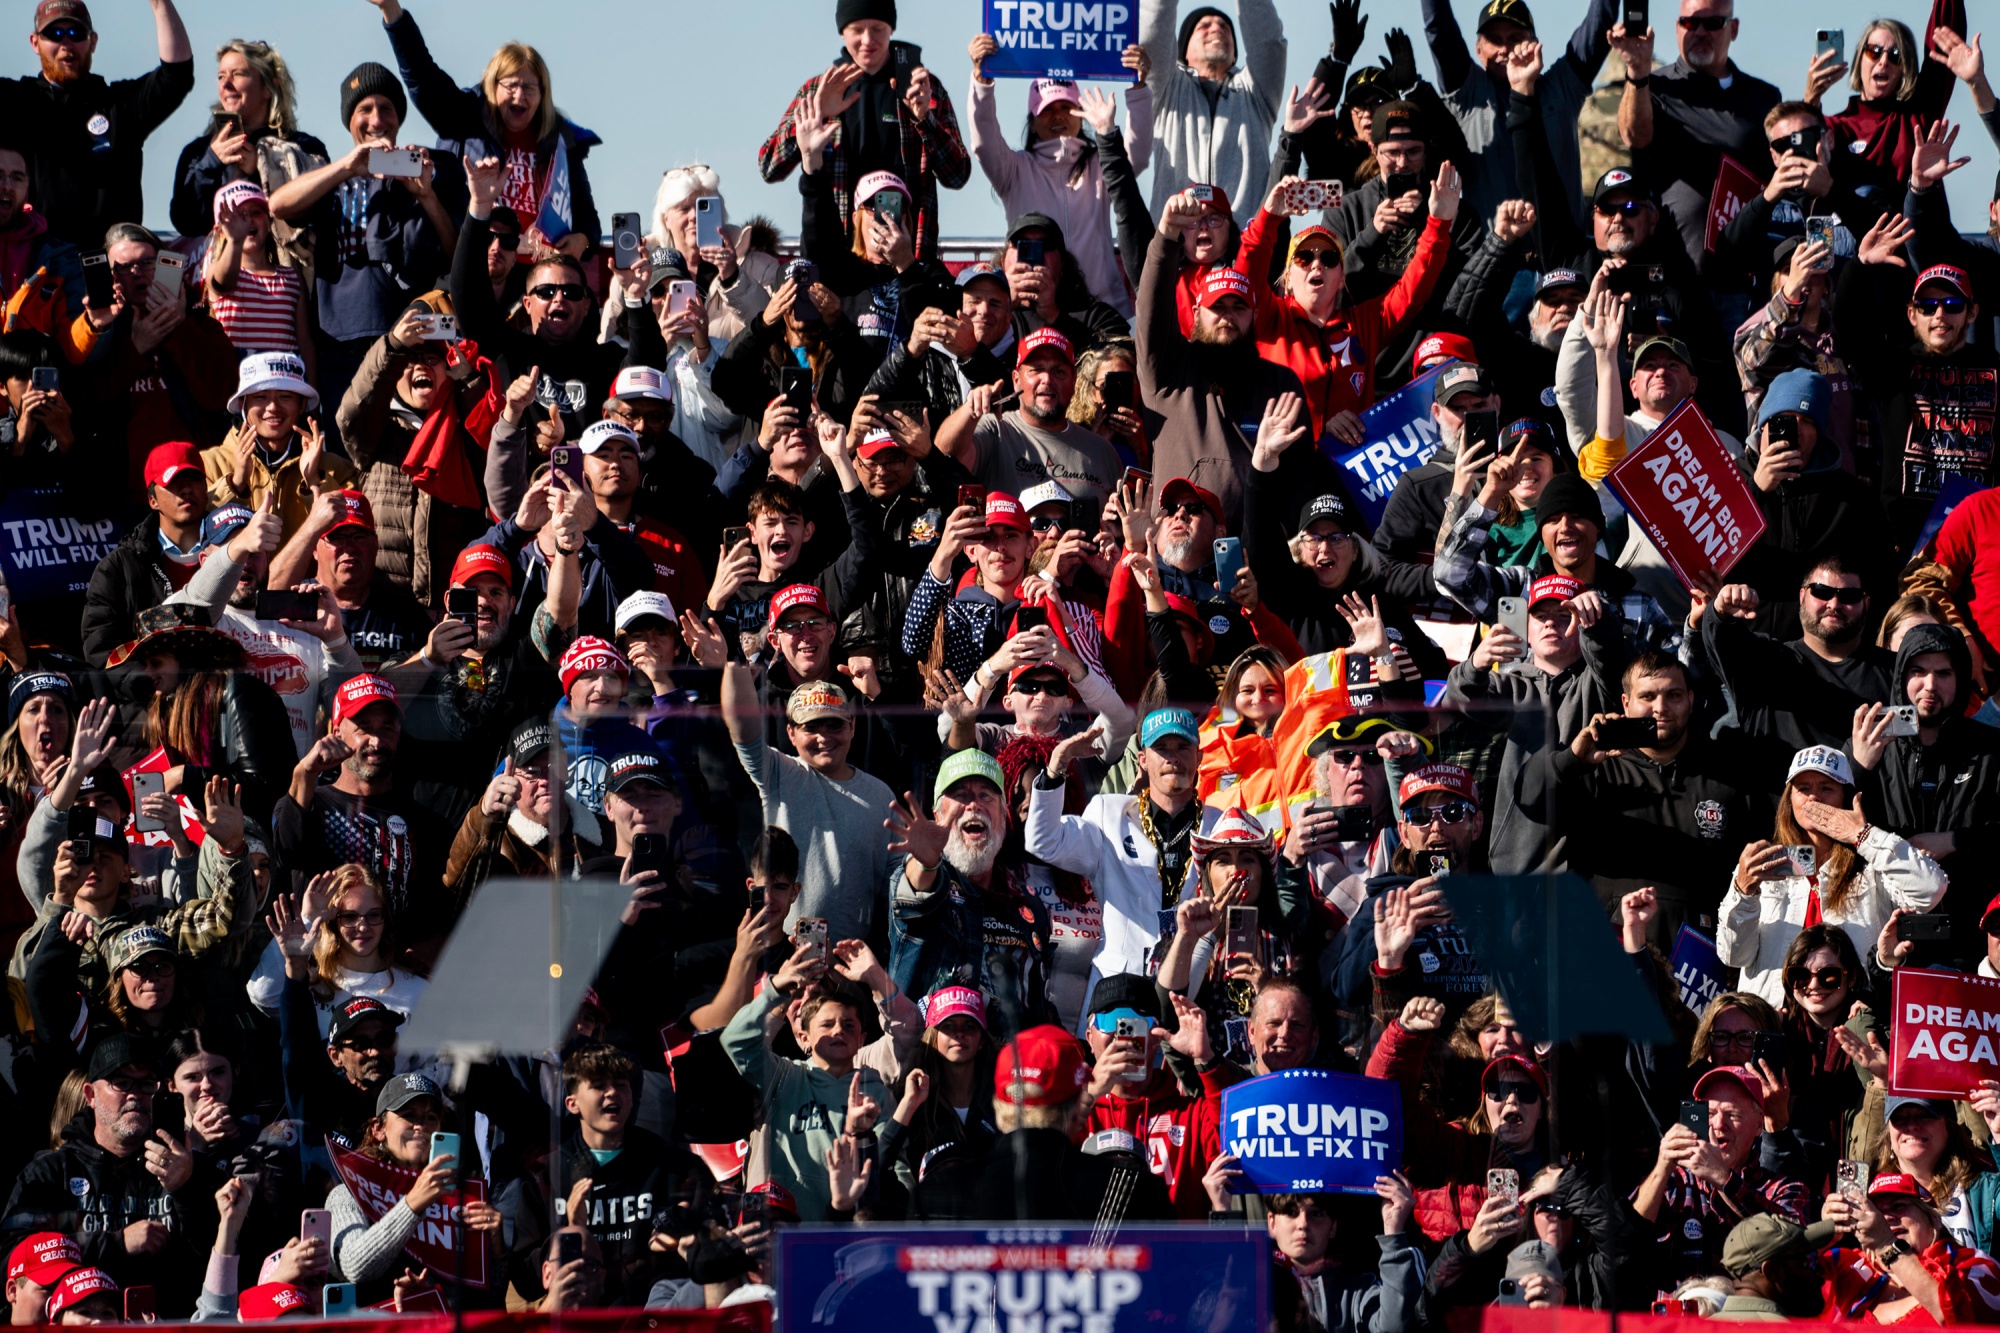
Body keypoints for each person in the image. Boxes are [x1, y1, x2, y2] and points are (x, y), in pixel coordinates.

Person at [1521, 653, 1757, 947]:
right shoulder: (1594, 767)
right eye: (1647, 696)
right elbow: (1529, 801)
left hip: (1701, 965)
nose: (1661, 708)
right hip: (1606, 954)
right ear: (1625, 703)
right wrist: (1572, 760)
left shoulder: (1729, 774)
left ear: (1691, 699)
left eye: (1674, 695)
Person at [266, 63, 456, 399]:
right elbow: (279, 206)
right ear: (349, 120)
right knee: (343, 445)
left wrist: (426, 196)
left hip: (406, 340)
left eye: (387, 109)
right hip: (338, 341)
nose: (377, 120)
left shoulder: (422, 176)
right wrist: (346, 166)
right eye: (364, 109)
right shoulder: (333, 179)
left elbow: (456, 254)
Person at [1025, 708, 1221, 1012]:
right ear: (1142, 759)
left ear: (1200, 757)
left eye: (1183, 747)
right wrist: (1057, 767)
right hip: (1119, 991)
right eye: (1161, 748)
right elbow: (1044, 842)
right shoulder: (1109, 814)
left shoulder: (1221, 827)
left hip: (1193, 989)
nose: (1172, 758)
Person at [1716, 746, 1945, 1006]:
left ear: (1846, 799)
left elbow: (1931, 890)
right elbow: (1733, 956)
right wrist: (1743, 891)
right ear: (1789, 800)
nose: (1814, 798)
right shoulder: (1763, 863)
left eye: (1826, 788)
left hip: (1853, 1025)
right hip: (1775, 1024)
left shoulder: (1873, 862)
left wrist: (1864, 836)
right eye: (1803, 789)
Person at [369, 0, 597, 254]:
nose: (520, 96)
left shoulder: (561, 141)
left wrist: (582, 240)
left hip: (538, 278)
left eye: (530, 88)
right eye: (510, 85)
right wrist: (391, 12)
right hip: (476, 266)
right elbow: (422, 77)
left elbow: (589, 221)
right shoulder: (463, 118)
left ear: (543, 94)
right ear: (492, 85)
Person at [1, 1035, 207, 1315]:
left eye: (146, 1084)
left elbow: (224, 1255)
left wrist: (186, 1189)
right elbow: (12, 1258)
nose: (135, 1094)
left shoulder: (189, 1166)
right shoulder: (50, 1172)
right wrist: (117, 1243)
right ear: (90, 1095)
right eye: (121, 1083)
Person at [758, 0, 970, 260]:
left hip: (907, 257)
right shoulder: (819, 90)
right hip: (836, 261)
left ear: (891, 29)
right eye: (857, 30)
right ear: (842, 32)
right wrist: (818, 113)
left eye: (878, 29)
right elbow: (769, 166)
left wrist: (924, 119)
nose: (868, 39)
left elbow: (958, 175)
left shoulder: (921, 87)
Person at [271, 674, 454, 951]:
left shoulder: (425, 822)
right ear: (336, 733)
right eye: (364, 728)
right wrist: (304, 772)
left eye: (387, 728)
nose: (377, 741)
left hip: (396, 979)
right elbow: (288, 851)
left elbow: (437, 911)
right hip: (322, 976)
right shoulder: (311, 803)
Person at [1850, 622, 2000, 959]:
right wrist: (1860, 768)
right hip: (1882, 940)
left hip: (1970, 941)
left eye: (1944, 673)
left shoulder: (1991, 750)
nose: (1930, 685)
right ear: (1901, 675)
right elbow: (1830, 824)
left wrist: (1954, 841)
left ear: (1960, 678)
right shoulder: (1867, 746)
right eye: (1918, 671)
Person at [886, 748, 1055, 1040]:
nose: (973, 805)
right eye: (961, 795)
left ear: (1003, 815)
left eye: (986, 796)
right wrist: (926, 862)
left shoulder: (1028, 902)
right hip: (933, 1068)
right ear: (937, 815)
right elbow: (915, 896)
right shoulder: (927, 876)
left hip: (1010, 1073)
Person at [721, 665, 894, 948]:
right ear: (791, 733)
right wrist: (731, 667)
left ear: (852, 726)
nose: (824, 737)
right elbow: (743, 733)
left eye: (834, 724)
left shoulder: (881, 795)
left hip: (856, 960)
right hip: (782, 951)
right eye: (811, 727)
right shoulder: (778, 773)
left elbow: (896, 885)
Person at [964, 57, 1151, 318]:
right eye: (1047, 109)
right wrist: (982, 82)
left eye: (1066, 106)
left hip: (1101, 309)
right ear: (1032, 120)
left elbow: (1138, 155)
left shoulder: (1098, 165)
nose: (1058, 115)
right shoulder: (1014, 169)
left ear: (1080, 114)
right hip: (1035, 311)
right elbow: (984, 144)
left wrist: (1138, 88)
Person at [0, 0, 193, 249]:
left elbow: (177, 75)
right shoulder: (13, 101)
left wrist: (159, 3)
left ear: (92, 42)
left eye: (77, 33)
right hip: (33, 267)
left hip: (109, 272)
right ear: (35, 42)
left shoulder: (120, 105)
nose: (66, 44)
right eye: (54, 34)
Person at [334, 305, 491, 610]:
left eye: (431, 359)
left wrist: (468, 382)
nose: (420, 367)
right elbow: (352, 414)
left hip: (452, 604)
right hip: (386, 602)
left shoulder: (467, 429)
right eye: (410, 360)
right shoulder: (376, 432)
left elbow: (489, 439)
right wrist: (393, 347)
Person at [1420, 0, 1618, 234]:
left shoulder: (1561, 88)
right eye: (1494, 40)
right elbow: (1439, 31)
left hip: (1562, 262)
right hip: (1494, 260)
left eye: (1515, 39)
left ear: (1533, 43)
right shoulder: (1469, 94)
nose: (1504, 49)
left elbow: (1599, 23)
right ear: (1478, 50)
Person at [1617, 0, 1783, 278]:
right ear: (1677, 27)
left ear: (1734, 28)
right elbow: (1634, 136)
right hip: (1674, 278)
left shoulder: (1764, 97)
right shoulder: (1653, 86)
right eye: (1690, 23)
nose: (1700, 32)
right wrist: (1636, 73)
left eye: (1713, 23)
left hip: (1741, 278)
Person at [70, 225, 238, 488]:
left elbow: (220, 396)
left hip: (196, 484)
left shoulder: (201, 324)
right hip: (126, 490)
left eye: (146, 262)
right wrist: (135, 349)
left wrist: (178, 326)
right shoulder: (99, 330)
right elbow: (86, 405)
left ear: (163, 264)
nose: (136, 272)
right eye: (123, 267)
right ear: (109, 275)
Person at [1702, 558, 1895, 783]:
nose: (1834, 604)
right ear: (1802, 596)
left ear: (1867, 604)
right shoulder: (1766, 663)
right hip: (1776, 814)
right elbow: (1722, 638)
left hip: (1866, 814)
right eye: (1821, 592)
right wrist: (1721, 611)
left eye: (1849, 596)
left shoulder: (1898, 672)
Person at [1635, 1063, 1808, 1286]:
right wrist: (1661, 1167)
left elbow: (1796, 1246)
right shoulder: (1676, 1181)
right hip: (1681, 1318)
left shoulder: (1784, 1188)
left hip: (1749, 1318)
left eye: (1732, 1114)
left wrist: (1723, 1178)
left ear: (1758, 1125)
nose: (1718, 1124)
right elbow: (1625, 1242)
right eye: (1709, 1113)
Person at [168, 40, 329, 253]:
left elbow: (322, 213)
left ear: (268, 88)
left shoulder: (304, 147)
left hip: (283, 277)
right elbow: (185, 222)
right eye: (221, 76)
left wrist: (263, 169)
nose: (226, 84)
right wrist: (212, 162)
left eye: (238, 74)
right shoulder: (196, 153)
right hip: (219, 278)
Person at [1138, 0, 1289, 226]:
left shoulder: (1256, 91)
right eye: (1203, 26)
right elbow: (1154, 35)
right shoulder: (1167, 89)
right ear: (1183, 52)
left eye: (1224, 27)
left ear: (1235, 55)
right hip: (1176, 246)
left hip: (1247, 246)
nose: (1216, 29)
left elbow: (1268, 42)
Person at [934, 328, 1124, 507]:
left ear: (1073, 381)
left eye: (1058, 371)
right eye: (1036, 369)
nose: (1047, 380)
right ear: (1016, 380)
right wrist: (969, 409)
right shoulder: (996, 429)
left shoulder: (1102, 451)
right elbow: (943, 458)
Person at [1816, 1172, 2000, 1324]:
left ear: (1934, 1218)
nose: (1886, 1218)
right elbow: (1790, 1290)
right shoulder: (1845, 1266)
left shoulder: (1971, 1263)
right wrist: (1823, 1236)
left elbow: (1954, 1314)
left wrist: (1886, 1245)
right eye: (1876, 1212)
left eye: (1898, 1206)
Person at [1714, 1214, 1835, 1320]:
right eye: (1808, 1260)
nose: (1820, 1270)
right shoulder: (1787, 1330)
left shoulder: (1702, 1327)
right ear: (1772, 1271)